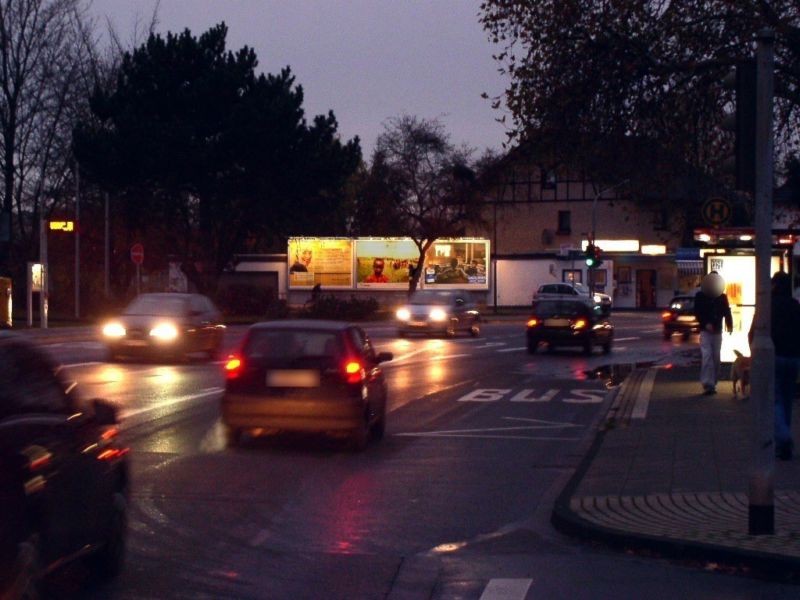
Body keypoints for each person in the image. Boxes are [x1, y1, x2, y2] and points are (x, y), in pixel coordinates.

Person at [749, 271, 800, 460]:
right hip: (793, 358)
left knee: (773, 400)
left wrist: (754, 355)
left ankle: (783, 437)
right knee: (787, 400)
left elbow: (754, 331)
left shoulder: (767, 307)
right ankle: (783, 444)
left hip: (774, 357)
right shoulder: (795, 306)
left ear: (775, 286)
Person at [694, 271, 733, 395]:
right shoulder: (701, 296)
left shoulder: (722, 296)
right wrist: (705, 323)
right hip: (706, 331)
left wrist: (729, 324)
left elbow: (726, 311)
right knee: (708, 356)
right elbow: (698, 312)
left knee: (715, 357)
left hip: (716, 331)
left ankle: (713, 382)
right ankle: (708, 383)